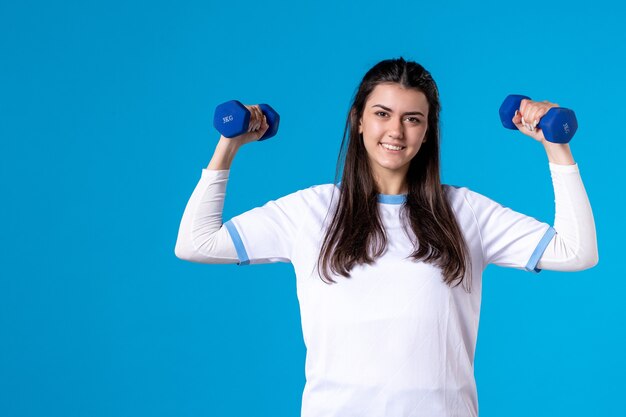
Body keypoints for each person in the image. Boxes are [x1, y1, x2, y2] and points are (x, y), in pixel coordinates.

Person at [174, 57, 598, 417]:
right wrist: (228, 146)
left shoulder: (464, 212)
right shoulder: (311, 211)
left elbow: (576, 252)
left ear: (427, 131)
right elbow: (196, 242)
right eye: (382, 113)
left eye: (412, 119)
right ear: (358, 120)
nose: (396, 131)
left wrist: (554, 147)